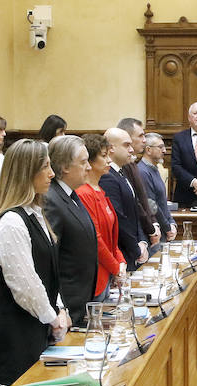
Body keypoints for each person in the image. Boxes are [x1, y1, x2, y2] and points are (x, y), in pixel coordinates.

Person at [0, 139, 69, 386]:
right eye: (45, 166)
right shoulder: (11, 222)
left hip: (40, 329)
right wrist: (53, 318)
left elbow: (50, 272)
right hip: (17, 339)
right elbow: (25, 286)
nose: (52, 173)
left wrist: (60, 308)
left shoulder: (35, 213)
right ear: (26, 172)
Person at [43, 135, 100, 327]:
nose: (89, 167)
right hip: (65, 307)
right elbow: (49, 259)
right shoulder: (52, 200)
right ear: (65, 167)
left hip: (80, 301)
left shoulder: (71, 194)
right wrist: (60, 308)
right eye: (84, 162)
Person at [76, 133, 126, 298]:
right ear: (90, 161)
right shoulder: (84, 193)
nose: (109, 160)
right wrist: (116, 267)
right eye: (104, 156)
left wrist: (121, 262)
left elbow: (111, 237)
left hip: (108, 273)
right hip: (96, 276)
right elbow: (95, 239)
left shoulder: (100, 191)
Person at [102, 127, 149, 270]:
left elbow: (134, 210)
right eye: (126, 145)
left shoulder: (121, 172)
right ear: (111, 148)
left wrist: (142, 241)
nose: (131, 150)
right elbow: (118, 218)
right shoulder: (107, 176)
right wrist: (136, 248)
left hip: (132, 248)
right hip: (122, 252)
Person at [117, 117, 160, 249]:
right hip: (135, 234)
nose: (144, 140)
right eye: (141, 135)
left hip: (145, 229)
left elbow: (143, 199)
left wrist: (153, 223)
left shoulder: (132, 163)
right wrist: (150, 228)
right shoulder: (123, 165)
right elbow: (135, 203)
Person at [138, 132, 177, 240]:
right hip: (154, 231)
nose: (164, 151)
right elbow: (152, 205)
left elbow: (162, 202)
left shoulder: (154, 169)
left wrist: (172, 223)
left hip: (163, 229)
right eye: (160, 147)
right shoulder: (142, 171)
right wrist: (167, 227)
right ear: (148, 150)